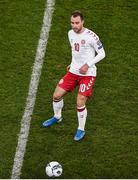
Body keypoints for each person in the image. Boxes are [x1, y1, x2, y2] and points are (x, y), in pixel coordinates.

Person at [42, 10, 106, 141]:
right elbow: (76, 52)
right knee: (56, 95)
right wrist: (72, 64)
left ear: (82, 22)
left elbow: (102, 54)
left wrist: (87, 64)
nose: (74, 25)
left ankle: (80, 129)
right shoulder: (70, 33)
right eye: (72, 23)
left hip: (88, 74)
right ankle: (57, 116)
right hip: (73, 72)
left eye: (77, 23)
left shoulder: (91, 36)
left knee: (80, 101)